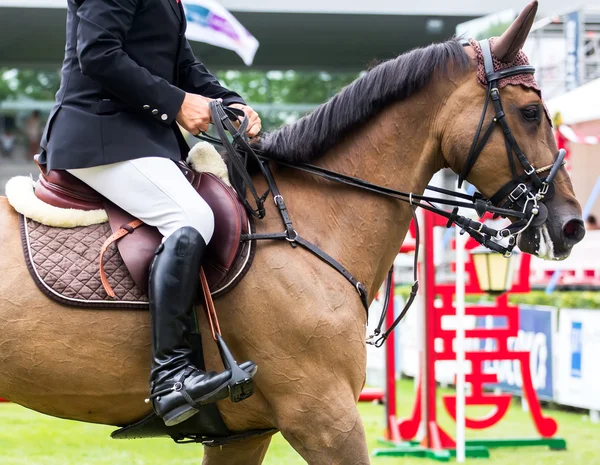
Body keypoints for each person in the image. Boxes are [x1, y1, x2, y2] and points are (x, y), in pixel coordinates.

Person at [37, 0, 261, 427]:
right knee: (191, 216)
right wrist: (178, 104)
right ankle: (171, 377)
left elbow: (182, 63)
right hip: (99, 133)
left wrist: (230, 103)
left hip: (138, 140)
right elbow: (99, 52)